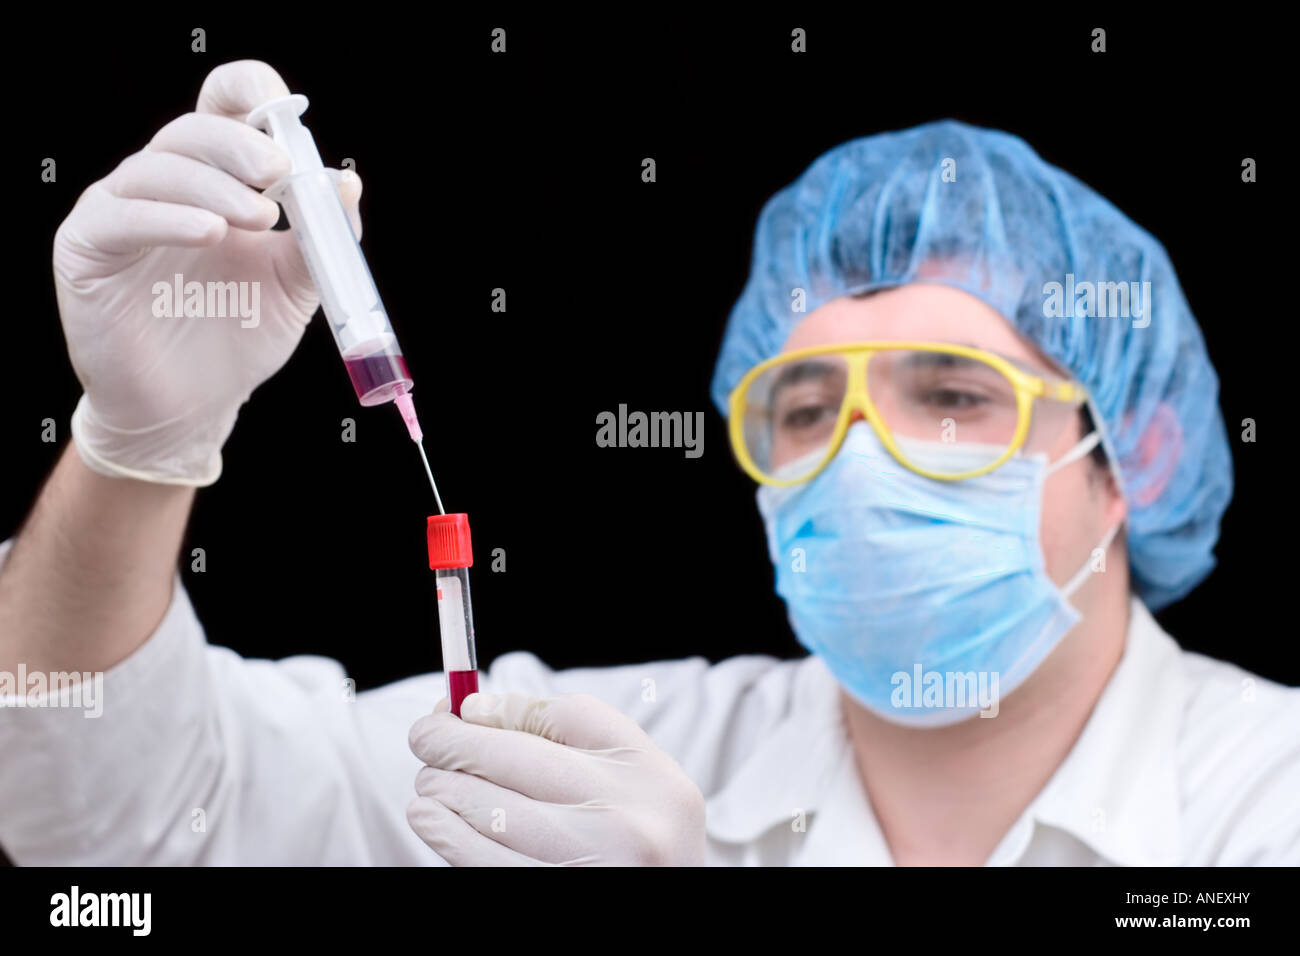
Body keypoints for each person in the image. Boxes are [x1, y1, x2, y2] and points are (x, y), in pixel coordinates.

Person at [0, 60, 1295, 866]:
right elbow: (111, 818)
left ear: (1138, 454)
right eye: (801, 409)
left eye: (953, 397)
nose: (858, 459)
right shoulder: (628, 753)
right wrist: (138, 448)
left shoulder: (1269, 797)